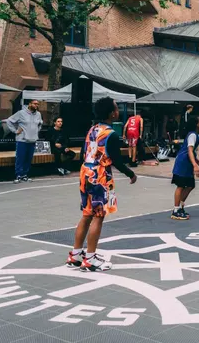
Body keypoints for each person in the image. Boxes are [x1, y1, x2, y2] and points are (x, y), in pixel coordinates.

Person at [66, 97, 137, 272]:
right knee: (98, 215)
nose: (117, 110)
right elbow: (117, 161)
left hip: (86, 172)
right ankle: (90, 258)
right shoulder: (111, 134)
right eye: (116, 108)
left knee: (86, 214)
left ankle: (75, 255)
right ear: (112, 113)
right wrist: (131, 174)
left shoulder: (92, 130)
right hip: (100, 175)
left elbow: (83, 152)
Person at [171, 116, 199, 220]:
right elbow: (189, 150)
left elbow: (191, 152)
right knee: (180, 186)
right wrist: (195, 165)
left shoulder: (196, 135)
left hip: (187, 162)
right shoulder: (192, 135)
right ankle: (175, 211)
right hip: (182, 163)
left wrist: (196, 160)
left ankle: (180, 207)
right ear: (196, 124)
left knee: (190, 185)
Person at [6, 99, 43, 184]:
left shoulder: (38, 114)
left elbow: (40, 123)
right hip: (22, 140)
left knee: (28, 158)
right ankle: (18, 175)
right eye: (34, 104)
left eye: (37, 104)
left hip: (32, 140)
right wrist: (15, 131)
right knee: (20, 158)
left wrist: (36, 131)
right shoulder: (21, 113)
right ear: (29, 104)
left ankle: (25, 175)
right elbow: (9, 121)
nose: (36, 105)